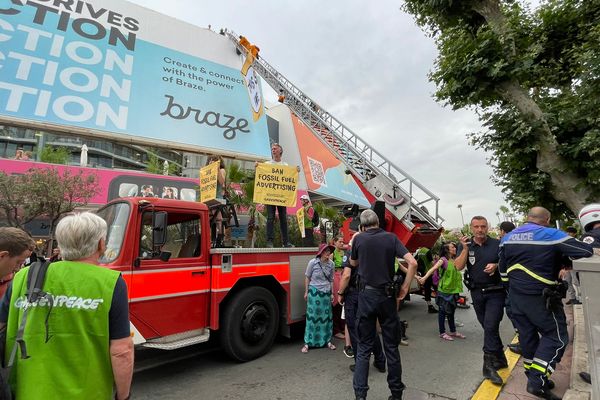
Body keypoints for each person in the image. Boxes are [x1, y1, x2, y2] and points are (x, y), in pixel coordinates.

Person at [0, 212, 134, 400]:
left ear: (60, 245)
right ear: (101, 244)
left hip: (26, 391)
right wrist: (123, 396)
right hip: (88, 393)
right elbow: (122, 351)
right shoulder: (111, 282)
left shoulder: (22, 276)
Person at [499, 207, 593, 400]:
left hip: (516, 297)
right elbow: (585, 250)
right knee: (557, 337)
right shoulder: (551, 234)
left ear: (528, 218)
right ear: (547, 219)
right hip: (540, 298)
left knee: (528, 337)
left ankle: (533, 374)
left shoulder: (508, 238)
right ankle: (536, 380)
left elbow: (502, 271)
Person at [347, 209, 418, 400]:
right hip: (387, 298)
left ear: (362, 226)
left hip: (366, 297)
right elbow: (412, 263)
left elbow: (353, 263)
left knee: (363, 348)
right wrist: (404, 288)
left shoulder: (359, 239)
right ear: (379, 222)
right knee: (391, 348)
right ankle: (396, 394)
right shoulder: (391, 238)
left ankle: (360, 395)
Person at [455, 215, 506, 385]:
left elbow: (508, 264)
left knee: (491, 325)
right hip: (477, 292)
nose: (480, 230)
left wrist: (497, 266)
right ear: (471, 228)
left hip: (496, 292)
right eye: (476, 227)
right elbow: (458, 266)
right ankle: (500, 358)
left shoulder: (498, 245)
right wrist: (463, 249)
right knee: (488, 326)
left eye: (483, 226)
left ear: (488, 227)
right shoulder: (465, 245)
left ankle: (488, 366)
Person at [338, 230, 386, 374]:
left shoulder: (351, 254)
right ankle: (380, 361)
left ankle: (360, 365)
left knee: (354, 330)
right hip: (369, 294)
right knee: (370, 329)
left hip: (353, 295)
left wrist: (340, 293)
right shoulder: (371, 255)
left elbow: (346, 276)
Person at [418, 242, 466, 341]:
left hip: (454, 290)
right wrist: (424, 278)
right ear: (447, 250)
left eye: (454, 247)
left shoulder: (454, 260)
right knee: (443, 312)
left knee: (451, 311)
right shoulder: (443, 260)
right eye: (452, 247)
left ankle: (453, 331)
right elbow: (433, 269)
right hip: (444, 291)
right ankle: (442, 332)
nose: (454, 248)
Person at [577, 203, 600, 385]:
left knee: (597, 335)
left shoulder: (590, 238)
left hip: (596, 292)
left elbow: (584, 261)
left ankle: (597, 376)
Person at [301, 243, 336, 353]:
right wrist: (306, 292)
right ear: (321, 253)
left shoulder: (332, 264)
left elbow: (331, 280)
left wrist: (332, 293)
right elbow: (307, 277)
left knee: (326, 317)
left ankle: (327, 340)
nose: (328, 253)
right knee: (312, 318)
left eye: (329, 251)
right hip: (314, 293)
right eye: (326, 251)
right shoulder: (313, 262)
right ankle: (308, 343)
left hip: (326, 293)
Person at [262, 143, 296, 248]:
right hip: (270, 196)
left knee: (283, 219)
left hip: (282, 197)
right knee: (270, 218)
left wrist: (296, 171)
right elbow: (261, 175)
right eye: (272, 148)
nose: (273, 150)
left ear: (280, 151)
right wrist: (257, 167)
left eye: (275, 148)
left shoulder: (285, 166)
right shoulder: (267, 164)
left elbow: (290, 178)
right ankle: (269, 241)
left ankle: (286, 242)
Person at [498, 221, 521, 354]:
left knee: (513, 312)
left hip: (512, 285)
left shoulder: (505, 242)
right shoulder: (521, 240)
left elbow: (502, 265)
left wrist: (506, 284)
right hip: (525, 283)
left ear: (502, 231)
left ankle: (523, 341)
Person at [205, 155, 227, 247]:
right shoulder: (207, 171)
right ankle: (207, 239)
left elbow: (222, 182)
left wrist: (217, 169)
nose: (212, 161)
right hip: (208, 197)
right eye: (211, 160)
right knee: (207, 218)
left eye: (215, 160)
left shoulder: (222, 170)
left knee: (218, 218)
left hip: (217, 198)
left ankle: (220, 237)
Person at [561, 226, 581, 305]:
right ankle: (573, 298)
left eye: (570, 232)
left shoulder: (576, 241)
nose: (568, 233)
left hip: (574, 265)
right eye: (567, 232)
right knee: (568, 282)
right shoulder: (564, 241)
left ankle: (580, 299)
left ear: (575, 234)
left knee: (576, 282)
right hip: (566, 265)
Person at [414, 247, 437, 313]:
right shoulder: (428, 251)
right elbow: (432, 263)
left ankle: (429, 306)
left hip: (423, 273)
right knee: (436, 288)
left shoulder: (420, 251)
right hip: (430, 273)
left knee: (427, 289)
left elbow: (415, 260)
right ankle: (441, 304)